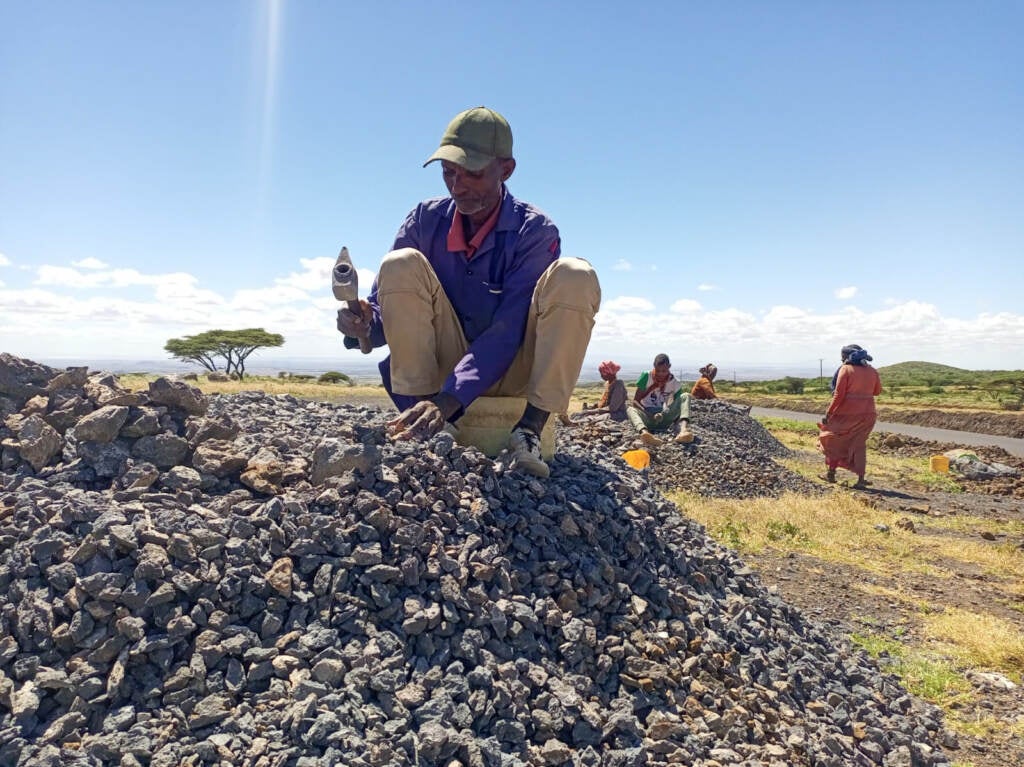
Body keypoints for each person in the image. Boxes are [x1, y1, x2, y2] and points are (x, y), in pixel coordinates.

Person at [336, 106, 601, 478]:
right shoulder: (424, 221)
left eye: (472, 174)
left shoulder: (534, 232)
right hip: (441, 377)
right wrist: (362, 324)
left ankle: (528, 432)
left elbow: (509, 330)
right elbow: (386, 322)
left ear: (505, 170)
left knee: (575, 275)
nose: (457, 186)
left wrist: (451, 399)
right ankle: (428, 427)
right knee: (400, 264)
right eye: (449, 172)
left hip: (515, 370)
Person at [817, 344, 882, 487]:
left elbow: (838, 395)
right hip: (868, 414)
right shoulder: (872, 371)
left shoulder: (845, 369)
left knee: (832, 440)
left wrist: (829, 413)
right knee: (859, 444)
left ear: (846, 357)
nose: (841, 360)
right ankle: (860, 480)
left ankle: (831, 474)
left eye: (842, 357)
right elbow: (877, 391)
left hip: (846, 414)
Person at [626, 354, 694, 446]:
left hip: (664, 417)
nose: (661, 374)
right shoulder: (646, 376)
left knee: (686, 396)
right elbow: (635, 401)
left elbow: (678, 405)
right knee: (630, 409)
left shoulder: (675, 382)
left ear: (669, 367)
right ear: (654, 365)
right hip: (647, 416)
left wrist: (673, 420)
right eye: (658, 370)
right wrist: (647, 413)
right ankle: (645, 433)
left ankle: (683, 430)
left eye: (664, 371)